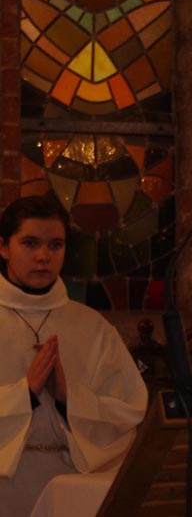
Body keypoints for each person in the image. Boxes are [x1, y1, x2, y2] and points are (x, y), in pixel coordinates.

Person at [0, 196, 147, 517]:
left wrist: (68, 398)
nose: (43, 256)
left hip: (73, 485)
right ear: (3, 247)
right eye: (30, 243)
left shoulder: (93, 327)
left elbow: (128, 410)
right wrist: (25, 394)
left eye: (55, 245)